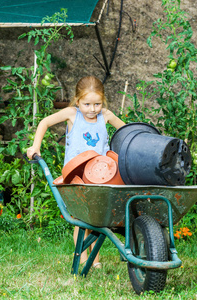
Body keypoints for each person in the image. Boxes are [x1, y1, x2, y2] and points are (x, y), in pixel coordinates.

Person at [27, 75, 125, 269]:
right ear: (77, 100)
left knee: (97, 221)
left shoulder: (106, 115)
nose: (92, 109)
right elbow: (45, 122)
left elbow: (126, 131)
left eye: (97, 104)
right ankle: (81, 259)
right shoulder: (72, 114)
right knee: (81, 220)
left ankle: (94, 261)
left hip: (101, 177)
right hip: (76, 177)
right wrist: (35, 146)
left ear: (103, 101)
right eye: (87, 104)